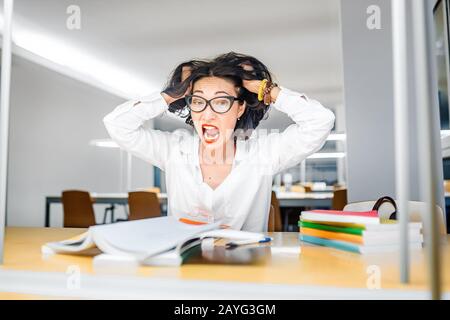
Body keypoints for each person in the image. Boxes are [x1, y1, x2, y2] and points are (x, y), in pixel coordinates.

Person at [103, 52, 335, 231]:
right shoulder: (173, 150)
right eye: (198, 101)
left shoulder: (264, 154)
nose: (208, 114)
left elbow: (320, 121)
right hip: (186, 272)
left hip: (248, 274)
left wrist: (267, 89)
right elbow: (117, 124)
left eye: (222, 102)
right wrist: (170, 95)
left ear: (240, 108)